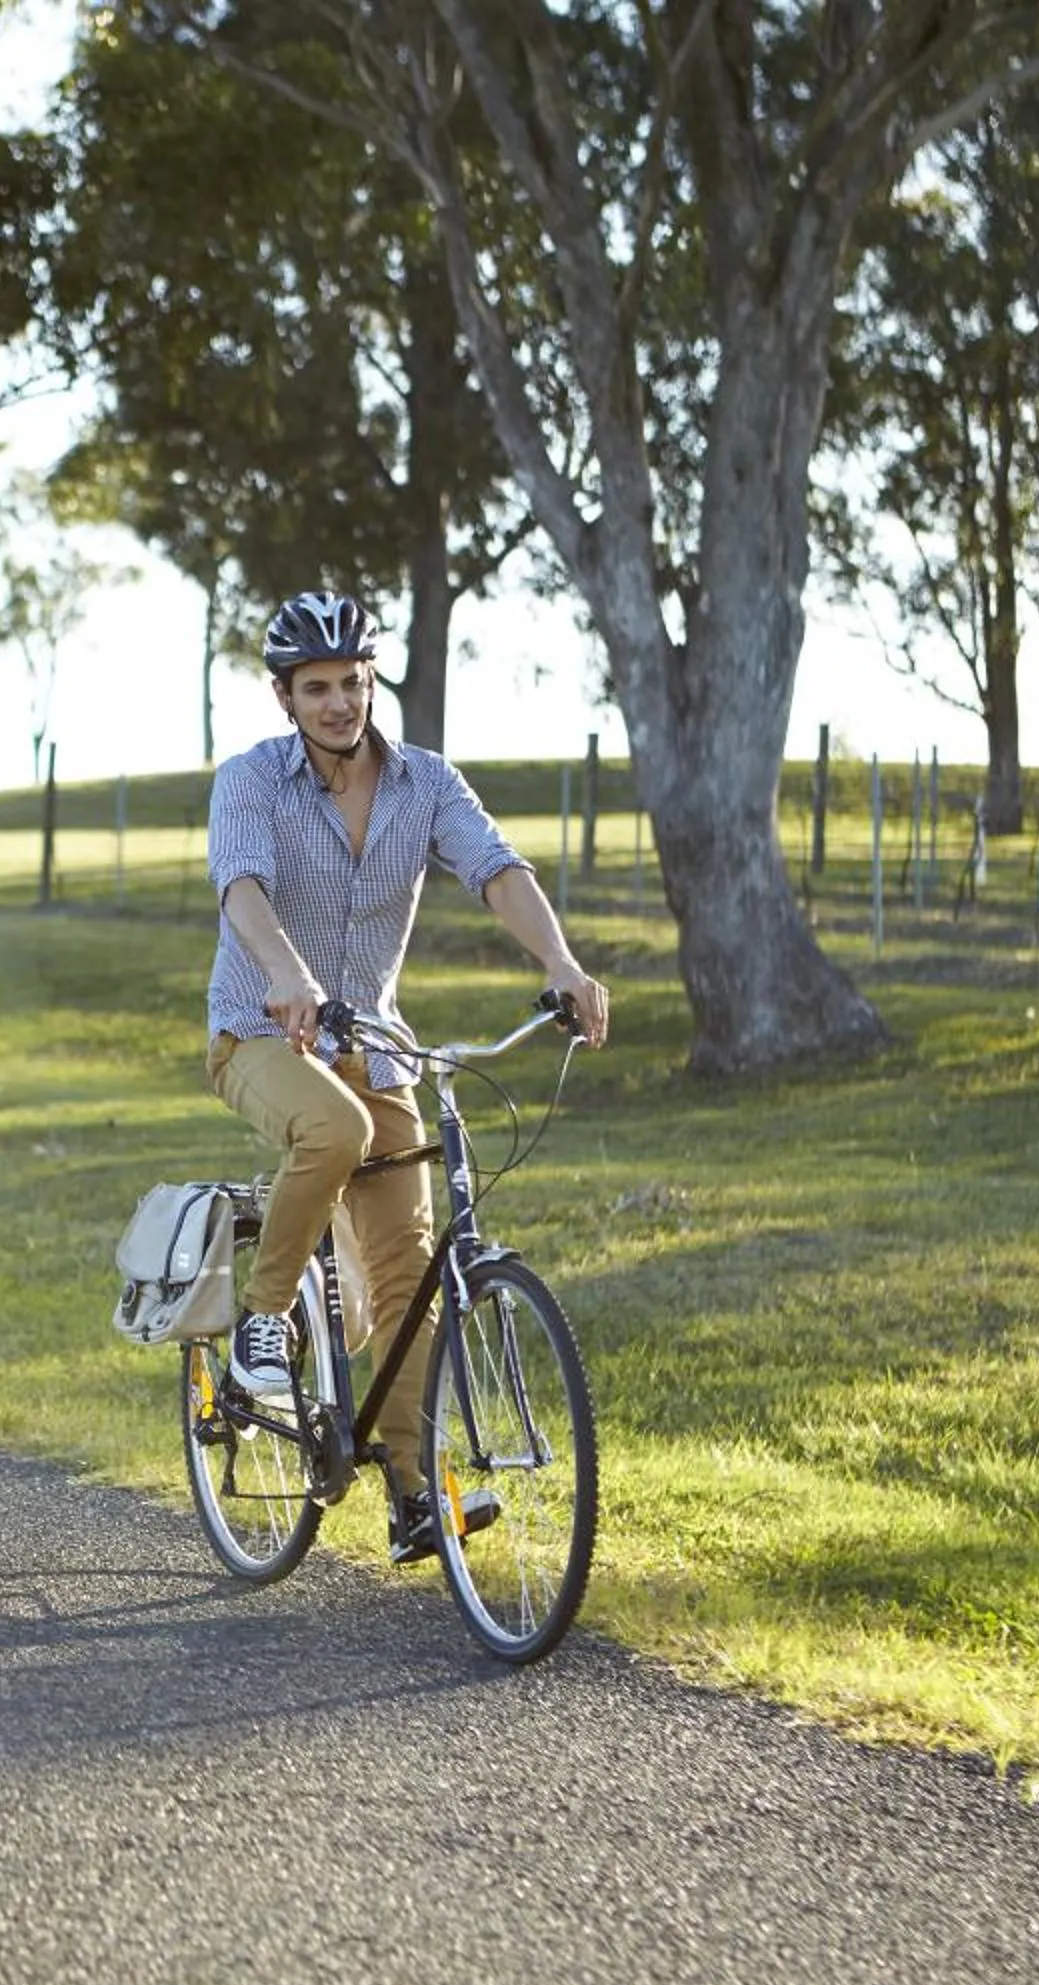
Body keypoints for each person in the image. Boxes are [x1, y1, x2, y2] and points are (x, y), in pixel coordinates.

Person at [204, 589, 610, 1561]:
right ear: (285, 697)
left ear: (370, 681)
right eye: (318, 687)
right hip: (261, 1032)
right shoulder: (251, 780)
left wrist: (559, 961)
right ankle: (263, 1321)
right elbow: (243, 886)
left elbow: (497, 868)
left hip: (377, 1042)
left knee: (406, 1276)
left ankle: (413, 1490)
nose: (340, 702)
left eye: (352, 681)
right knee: (333, 1131)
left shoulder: (424, 782)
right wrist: (289, 977)